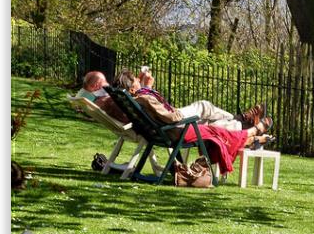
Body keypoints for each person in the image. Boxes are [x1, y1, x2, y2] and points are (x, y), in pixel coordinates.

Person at [112, 68, 274, 175]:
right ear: (132, 89)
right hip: (176, 127)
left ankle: (243, 125)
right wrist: (150, 89)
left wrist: (146, 87)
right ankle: (244, 124)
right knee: (205, 108)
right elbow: (171, 116)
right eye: (135, 80)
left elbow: (157, 112)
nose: (138, 80)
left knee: (213, 121)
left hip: (164, 129)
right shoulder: (144, 97)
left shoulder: (136, 98)